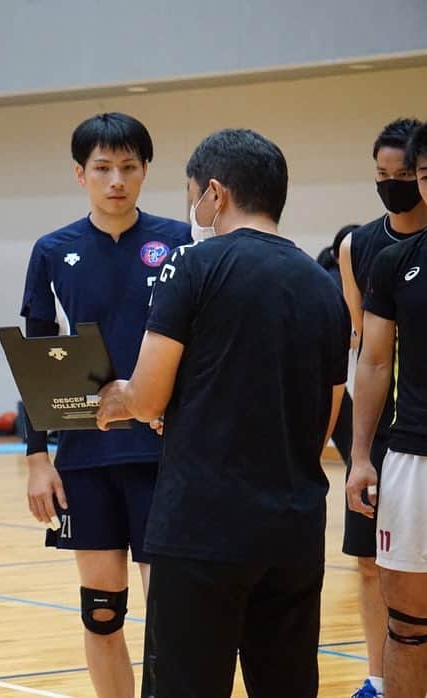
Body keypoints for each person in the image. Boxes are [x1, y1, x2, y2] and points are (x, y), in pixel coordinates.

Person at [96, 128, 349, 697]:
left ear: (215, 194)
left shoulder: (193, 265)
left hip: (202, 531)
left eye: (194, 195)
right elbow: (324, 421)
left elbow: (149, 395)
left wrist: (118, 399)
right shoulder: (323, 285)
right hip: (293, 531)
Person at [19, 112, 189, 698]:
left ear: (145, 171)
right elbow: (37, 357)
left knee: (169, 613)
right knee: (101, 611)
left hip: (162, 454)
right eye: (102, 168)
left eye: (128, 167)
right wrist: (37, 456)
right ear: (79, 174)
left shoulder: (181, 243)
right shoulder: (52, 250)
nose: (115, 179)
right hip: (86, 456)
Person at [337, 117, 427, 698]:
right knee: (409, 621)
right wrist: (362, 454)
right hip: (413, 454)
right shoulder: (391, 259)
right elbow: (370, 362)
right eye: (423, 174)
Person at [319, 224, 362, 466]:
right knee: (354, 448)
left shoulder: (334, 279)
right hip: (325, 377)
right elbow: (345, 335)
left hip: (328, 378)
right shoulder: (333, 283)